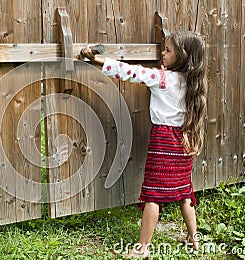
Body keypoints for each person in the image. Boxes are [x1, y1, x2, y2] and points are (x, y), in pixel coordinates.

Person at [81, 31, 207, 258]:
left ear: (182, 56)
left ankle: (142, 248)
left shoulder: (161, 79)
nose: (163, 53)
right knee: (184, 192)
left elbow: (129, 71)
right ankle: (194, 238)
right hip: (183, 141)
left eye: (168, 50)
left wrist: (96, 59)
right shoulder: (193, 83)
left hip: (163, 142)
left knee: (153, 196)